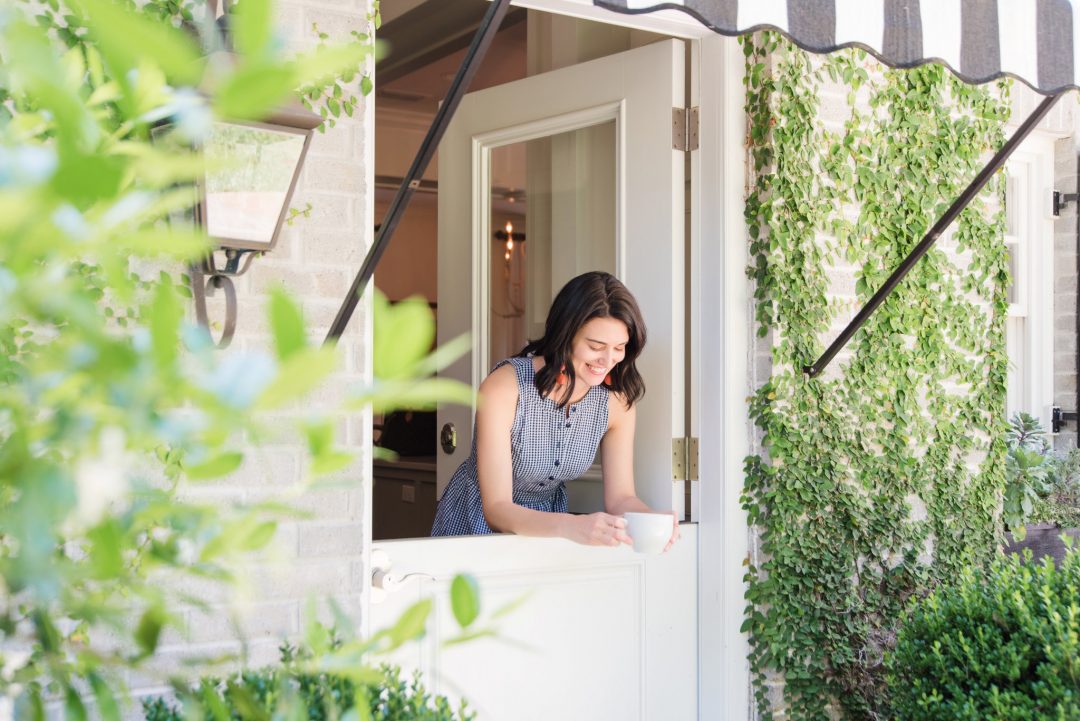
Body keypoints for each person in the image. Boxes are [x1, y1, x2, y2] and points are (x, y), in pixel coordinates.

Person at [431, 271, 680, 550]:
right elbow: (497, 509)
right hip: (474, 525)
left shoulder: (616, 403)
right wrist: (571, 525)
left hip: (552, 531)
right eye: (595, 346)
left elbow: (620, 498)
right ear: (566, 335)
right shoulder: (505, 388)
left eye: (619, 348)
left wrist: (649, 519)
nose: (608, 360)